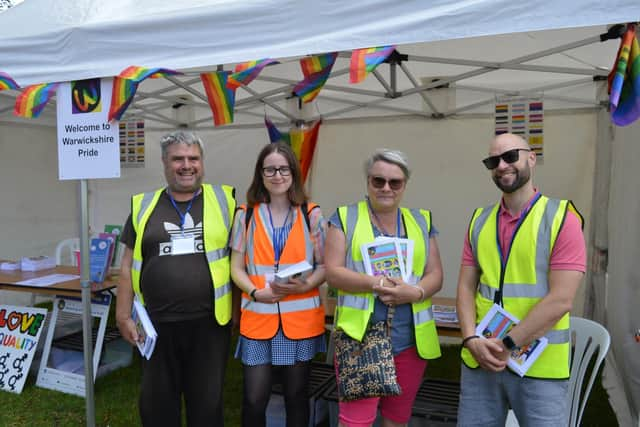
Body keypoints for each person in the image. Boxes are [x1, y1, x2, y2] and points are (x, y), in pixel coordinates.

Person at [456, 133, 586, 426]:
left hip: (539, 367)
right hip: (482, 358)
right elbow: (465, 287)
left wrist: (507, 344)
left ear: (531, 158)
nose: (501, 165)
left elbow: (562, 299)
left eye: (510, 156)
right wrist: (470, 339)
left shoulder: (562, 217)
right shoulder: (479, 219)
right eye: (493, 161)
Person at [115, 130, 236, 426]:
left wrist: (240, 314)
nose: (186, 165)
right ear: (164, 163)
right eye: (178, 159)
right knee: (157, 407)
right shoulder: (143, 205)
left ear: (202, 162)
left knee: (207, 406)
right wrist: (122, 316)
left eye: (193, 158)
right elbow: (128, 265)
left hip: (209, 323)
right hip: (155, 324)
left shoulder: (226, 201)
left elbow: (241, 261)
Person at [325, 148, 443, 427]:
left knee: (397, 420)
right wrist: (376, 283)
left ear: (405, 185)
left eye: (395, 182)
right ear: (367, 182)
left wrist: (415, 292)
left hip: (410, 340)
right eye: (378, 181)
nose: (386, 188)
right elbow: (333, 273)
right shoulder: (344, 217)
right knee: (356, 422)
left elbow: (435, 274)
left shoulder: (421, 220)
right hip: (360, 339)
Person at [230, 142, 327, 427]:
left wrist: (304, 285)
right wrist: (255, 292)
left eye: (283, 169)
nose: (277, 175)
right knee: (253, 399)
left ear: (294, 173)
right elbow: (236, 267)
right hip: (258, 321)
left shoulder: (312, 215)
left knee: (296, 397)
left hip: (299, 323)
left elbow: (326, 267)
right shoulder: (244, 214)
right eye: (269, 169)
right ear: (260, 174)